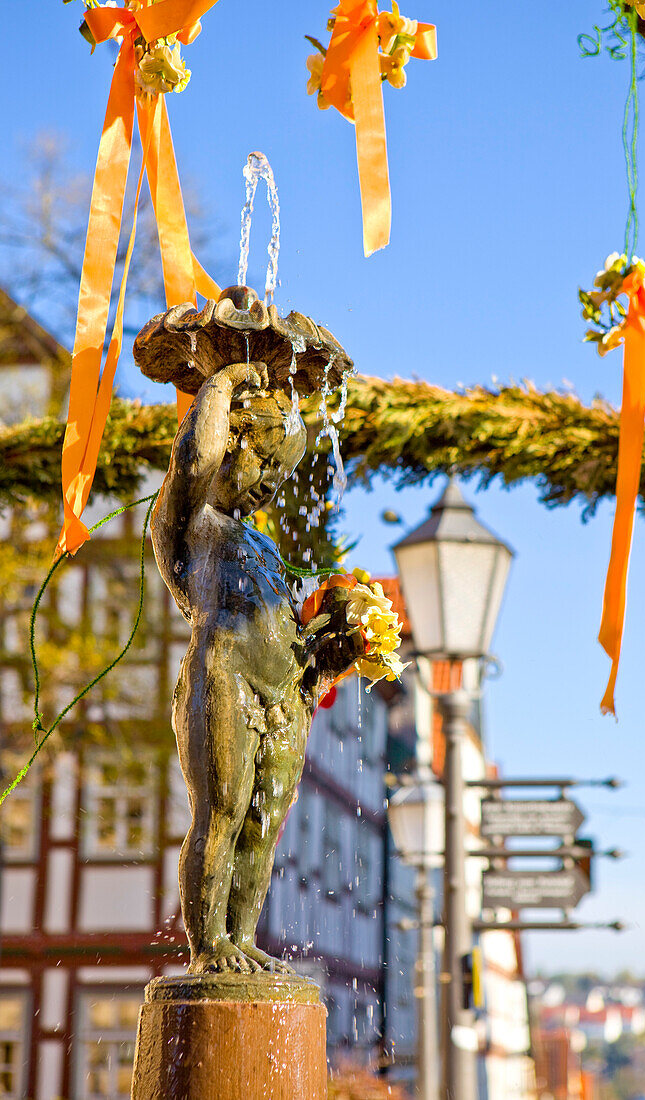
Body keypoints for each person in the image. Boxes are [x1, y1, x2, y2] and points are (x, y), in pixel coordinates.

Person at [152, 359, 359, 974]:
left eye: (282, 471)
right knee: (224, 809)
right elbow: (192, 461)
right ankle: (208, 943)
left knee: (263, 824)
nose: (272, 480)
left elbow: (293, 634)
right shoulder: (191, 523)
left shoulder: (262, 544)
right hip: (224, 677)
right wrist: (220, 386)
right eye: (265, 460)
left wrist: (338, 642)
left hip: (283, 692)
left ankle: (241, 937)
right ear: (231, 442)